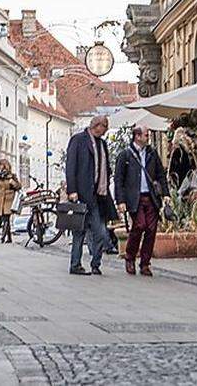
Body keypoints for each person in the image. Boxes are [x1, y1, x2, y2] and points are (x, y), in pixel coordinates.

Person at [65, 114, 118, 275]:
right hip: (82, 194)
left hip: (99, 196)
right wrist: (72, 190)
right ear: (97, 126)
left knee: (101, 232)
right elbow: (71, 166)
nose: (105, 132)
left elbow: (104, 166)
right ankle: (75, 265)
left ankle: (96, 263)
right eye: (104, 128)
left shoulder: (102, 144)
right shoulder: (78, 140)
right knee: (79, 231)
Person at [114, 126, 168, 276]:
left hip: (151, 197)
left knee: (151, 230)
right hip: (134, 198)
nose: (148, 137)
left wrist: (165, 193)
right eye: (146, 135)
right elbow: (119, 179)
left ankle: (145, 263)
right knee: (139, 226)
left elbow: (160, 175)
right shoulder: (125, 155)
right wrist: (121, 200)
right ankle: (130, 257)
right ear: (137, 136)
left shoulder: (152, 153)